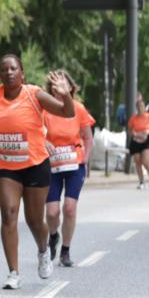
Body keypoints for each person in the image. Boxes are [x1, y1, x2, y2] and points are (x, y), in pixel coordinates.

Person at [0, 55, 75, 290]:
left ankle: (43, 250)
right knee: (9, 214)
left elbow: (67, 113)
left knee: (34, 220)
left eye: (13, 68)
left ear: (22, 73)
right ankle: (13, 272)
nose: (8, 72)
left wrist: (65, 94)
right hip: (7, 167)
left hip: (35, 165)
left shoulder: (34, 94)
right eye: (3, 69)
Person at [42, 71, 95, 268]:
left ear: (70, 88)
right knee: (52, 212)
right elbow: (37, 131)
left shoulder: (78, 109)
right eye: (54, 87)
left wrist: (85, 160)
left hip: (75, 164)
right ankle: (53, 235)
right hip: (53, 166)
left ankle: (65, 250)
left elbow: (88, 138)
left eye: (62, 85)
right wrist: (44, 141)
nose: (58, 90)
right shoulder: (46, 110)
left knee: (70, 208)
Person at [128, 100, 149, 189]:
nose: (140, 108)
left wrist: (148, 131)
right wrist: (133, 133)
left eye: (142, 106)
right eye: (138, 106)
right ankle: (141, 181)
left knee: (145, 161)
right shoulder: (133, 118)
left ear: (144, 107)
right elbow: (129, 129)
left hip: (147, 138)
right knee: (137, 160)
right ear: (136, 107)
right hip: (136, 138)